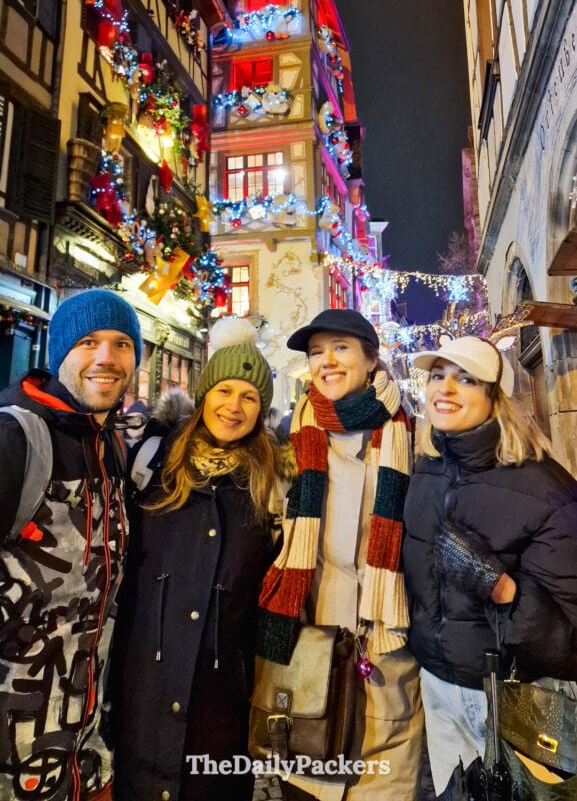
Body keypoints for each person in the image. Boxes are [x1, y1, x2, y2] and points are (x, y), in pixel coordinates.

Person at [110, 318, 294, 801]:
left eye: (250, 397)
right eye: (225, 390)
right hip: (141, 690)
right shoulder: (151, 463)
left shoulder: (271, 485)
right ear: (205, 391)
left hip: (220, 704)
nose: (234, 406)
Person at [257, 309, 423, 801]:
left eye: (341, 348)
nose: (325, 361)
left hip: (384, 645)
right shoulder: (291, 437)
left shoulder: (412, 433)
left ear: (372, 359)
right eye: (315, 352)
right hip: (309, 645)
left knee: (383, 783)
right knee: (307, 780)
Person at [403, 335, 577, 798]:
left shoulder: (544, 488)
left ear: (496, 399)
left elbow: (568, 635)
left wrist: (497, 584)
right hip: (438, 684)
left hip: (511, 695)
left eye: (466, 379)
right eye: (437, 376)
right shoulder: (425, 470)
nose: (446, 389)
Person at [0, 288, 142, 800]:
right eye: (88, 341)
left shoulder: (110, 447)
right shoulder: (15, 439)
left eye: (122, 344)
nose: (106, 358)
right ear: (59, 352)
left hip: (84, 756)